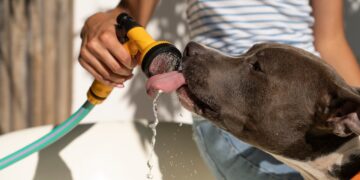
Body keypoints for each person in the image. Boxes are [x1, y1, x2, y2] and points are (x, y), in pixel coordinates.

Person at [78, 0, 360, 179]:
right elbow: (127, 12)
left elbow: (331, 41)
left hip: (309, 110)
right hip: (232, 106)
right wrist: (98, 24)